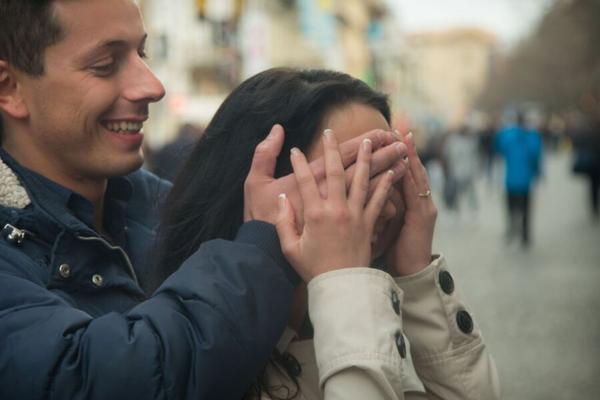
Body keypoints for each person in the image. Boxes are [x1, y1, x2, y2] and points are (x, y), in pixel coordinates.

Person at [0, 1, 406, 399]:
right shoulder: (249, 242)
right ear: (10, 88)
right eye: (105, 65)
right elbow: (90, 377)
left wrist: (416, 279)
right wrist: (266, 244)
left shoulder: (167, 206)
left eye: (142, 53)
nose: (152, 86)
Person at [154, 68, 501, 400]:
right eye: (351, 179)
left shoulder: (379, 310)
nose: (390, 208)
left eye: (391, 176)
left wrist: (418, 276)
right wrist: (344, 282)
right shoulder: (203, 349)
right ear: (265, 190)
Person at [495, 111, 543, 247]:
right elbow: (536, 156)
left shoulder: (507, 135)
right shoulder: (532, 136)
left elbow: (499, 148)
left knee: (511, 208)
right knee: (526, 209)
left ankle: (511, 230)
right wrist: (537, 173)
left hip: (510, 180)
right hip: (526, 181)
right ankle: (525, 236)